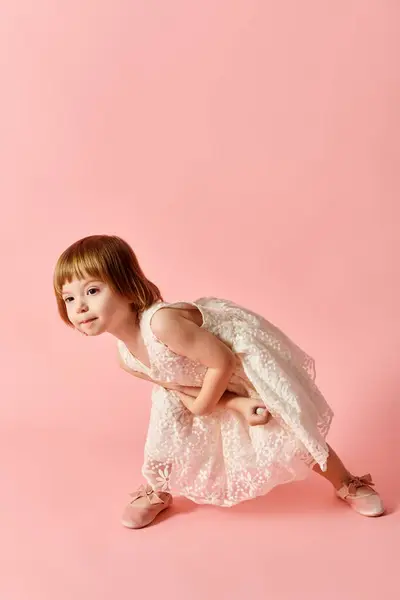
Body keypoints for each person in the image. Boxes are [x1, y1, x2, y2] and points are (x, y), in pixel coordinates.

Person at [53, 234, 385, 528]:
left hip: (235, 361)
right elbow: (178, 387)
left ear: (126, 288)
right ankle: (157, 490)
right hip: (201, 379)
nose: (80, 306)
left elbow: (222, 360)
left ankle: (347, 482)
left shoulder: (162, 324)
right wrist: (231, 404)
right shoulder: (125, 357)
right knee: (164, 432)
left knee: (288, 429)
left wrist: (209, 404)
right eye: (69, 298)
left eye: (92, 290)